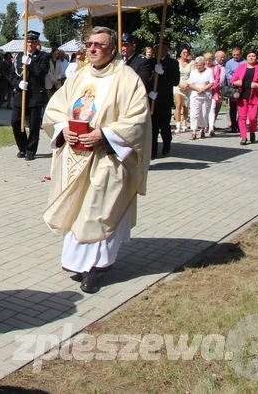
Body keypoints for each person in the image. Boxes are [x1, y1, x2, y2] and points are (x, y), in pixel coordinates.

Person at [42, 26, 152, 294]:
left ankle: (98, 267)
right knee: (79, 209)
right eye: (89, 44)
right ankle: (77, 262)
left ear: (112, 49)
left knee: (99, 212)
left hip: (107, 159)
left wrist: (104, 135)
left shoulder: (127, 79)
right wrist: (62, 128)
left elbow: (138, 120)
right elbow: (56, 109)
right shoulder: (78, 76)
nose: (91, 49)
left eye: (98, 45)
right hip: (75, 157)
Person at [13, 31, 51, 161]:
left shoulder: (43, 57)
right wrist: (18, 83)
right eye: (28, 42)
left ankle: (31, 150)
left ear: (37, 43)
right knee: (15, 122)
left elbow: (42, 73)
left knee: (34, 126)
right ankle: (23, 147)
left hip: (35, 95)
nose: (30, 44)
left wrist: (31, 63)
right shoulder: (19, 56)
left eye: (33, 42)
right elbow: (11, 76)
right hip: (21, 94)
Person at [148, 39, 180, 158]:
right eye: (156, 49)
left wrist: (163, 74)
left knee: (164, 126)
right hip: (152, 98)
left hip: (164, 99)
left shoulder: (172, 63)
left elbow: (175, 81)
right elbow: (146, 78)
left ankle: (167, 142)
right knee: (153, 127)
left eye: (161, 48)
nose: (158, 51)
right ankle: (153, 150)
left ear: (166, 50)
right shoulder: (150, 62)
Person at [230, 49, 258, 145]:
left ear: (257, 58)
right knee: (242, 117)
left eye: (253, 56)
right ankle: (243, 137)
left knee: (252, 117)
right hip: (242, 96)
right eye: (249, 56)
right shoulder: (241, 67)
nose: (251, 58)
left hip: (255, 96)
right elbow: (232, 80)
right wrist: (235, 82)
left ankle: (252, 131)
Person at [187, 56, 214, 140]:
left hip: (206, 96)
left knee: (204, 113)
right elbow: (190, 83)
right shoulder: (193, 72)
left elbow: (212, 83)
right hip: (195, 95)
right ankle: (194, 131)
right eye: (197, 65)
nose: (198, 67)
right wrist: (198, 89)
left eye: (200, 65)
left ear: (204, 64)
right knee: (194, 114)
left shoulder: (209, 71)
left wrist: (203, 89)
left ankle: (202, 130)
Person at [225, 47, 245, 133]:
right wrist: (235, 81)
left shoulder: (245, 63)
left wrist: (241, 81)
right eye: (234, 55)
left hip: (242, 87)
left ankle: (241, 125)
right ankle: (233, 125)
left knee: (241, 107)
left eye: (237, 55)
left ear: (241, 54)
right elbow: (228, 75)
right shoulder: (229, 63)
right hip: (233, 87)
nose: (235, 56)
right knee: (232, 107)